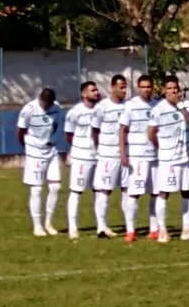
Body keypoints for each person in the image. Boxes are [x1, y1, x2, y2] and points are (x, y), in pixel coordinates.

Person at [148, 76, 189, 243]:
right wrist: (161, 147)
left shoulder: (184, 107)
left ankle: (186, 229)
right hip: (167, 159)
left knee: (187, 192)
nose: (173, 91)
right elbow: (151, 133)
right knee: (164, 193)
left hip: (184, 158)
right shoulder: (158, 109)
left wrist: (181, 107)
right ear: (164, 91)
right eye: (169, 88)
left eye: (175, 88)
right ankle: (162, 230)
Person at [119, 75, 162, 242]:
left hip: (154, 156)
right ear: (138, 88)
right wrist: (123, 153)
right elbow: (122, 130)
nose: (146, 89)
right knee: (134, 193)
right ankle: (131, 230)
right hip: (137, 156)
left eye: (149, 86)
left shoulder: (157, 106)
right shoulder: (130, 106)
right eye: (143, 87)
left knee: (156, 193)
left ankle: (154, 229)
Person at [17, 87, 63, 237]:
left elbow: (55, 125)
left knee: (55, 186)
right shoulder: (29, 109)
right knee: (36, 189)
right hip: (34, 152)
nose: (47, 107)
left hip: (51, 150)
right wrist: (28, 147)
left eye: (50, 104)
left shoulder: (57, 108)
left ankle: (48, 223)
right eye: (45, 104)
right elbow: (21, 131)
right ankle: (37, 226)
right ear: (41, 99)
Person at [90, 75, 128, 238]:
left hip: (126, 153)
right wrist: (101, 148)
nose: (124, 90)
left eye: (126, 87)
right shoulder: (102, 107)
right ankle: (101, 227)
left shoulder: (128, 106)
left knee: (127, 190)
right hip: (108, 154)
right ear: (113, 87)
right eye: (121, 87)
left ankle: (130, 225)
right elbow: (95, 130)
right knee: (104, 190)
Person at [64, 81, 101, 240]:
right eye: (93, 90)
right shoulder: (75, 112)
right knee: (76, 191)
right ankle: (73, 228)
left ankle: (102, 226)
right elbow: (69, 135)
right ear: (84, 94)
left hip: (98, 156)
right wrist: (80, 148)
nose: (97, 92)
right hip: (81, 157)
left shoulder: (101, 110)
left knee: (99, 191)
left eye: (97, 90)